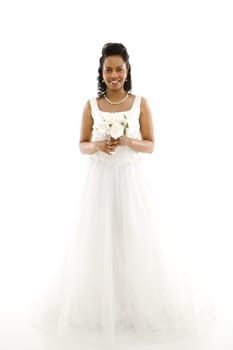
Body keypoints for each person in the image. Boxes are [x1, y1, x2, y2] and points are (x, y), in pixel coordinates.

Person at [29, 43, 215, 348]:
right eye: (108, 69)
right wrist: (99, 146)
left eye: (119, 69)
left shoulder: (140, 102)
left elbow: (151, 144)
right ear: (101, 72)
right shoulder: (91, 104)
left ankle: (136, 305)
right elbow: (82, 144)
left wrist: (128, 139)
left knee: (135, 240)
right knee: (99, 241)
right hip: (99, 182)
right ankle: (102, 306)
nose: (113, 75)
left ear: (127, 70)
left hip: (131, 181)